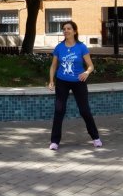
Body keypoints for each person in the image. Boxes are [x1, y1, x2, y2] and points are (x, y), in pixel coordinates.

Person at [48, 20, 102, 151]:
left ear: (75, 31)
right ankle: (55, 141)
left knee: (84, 110)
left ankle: (95, 138)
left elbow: (90, 66)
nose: (66, 31)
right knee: (59, 110)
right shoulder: (59, 47)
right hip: (62, 81)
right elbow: (53, 66)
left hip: (79, 82)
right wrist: (51, 81)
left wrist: (86, 72)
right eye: (64, 29)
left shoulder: (81, 47)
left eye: (69, 29)